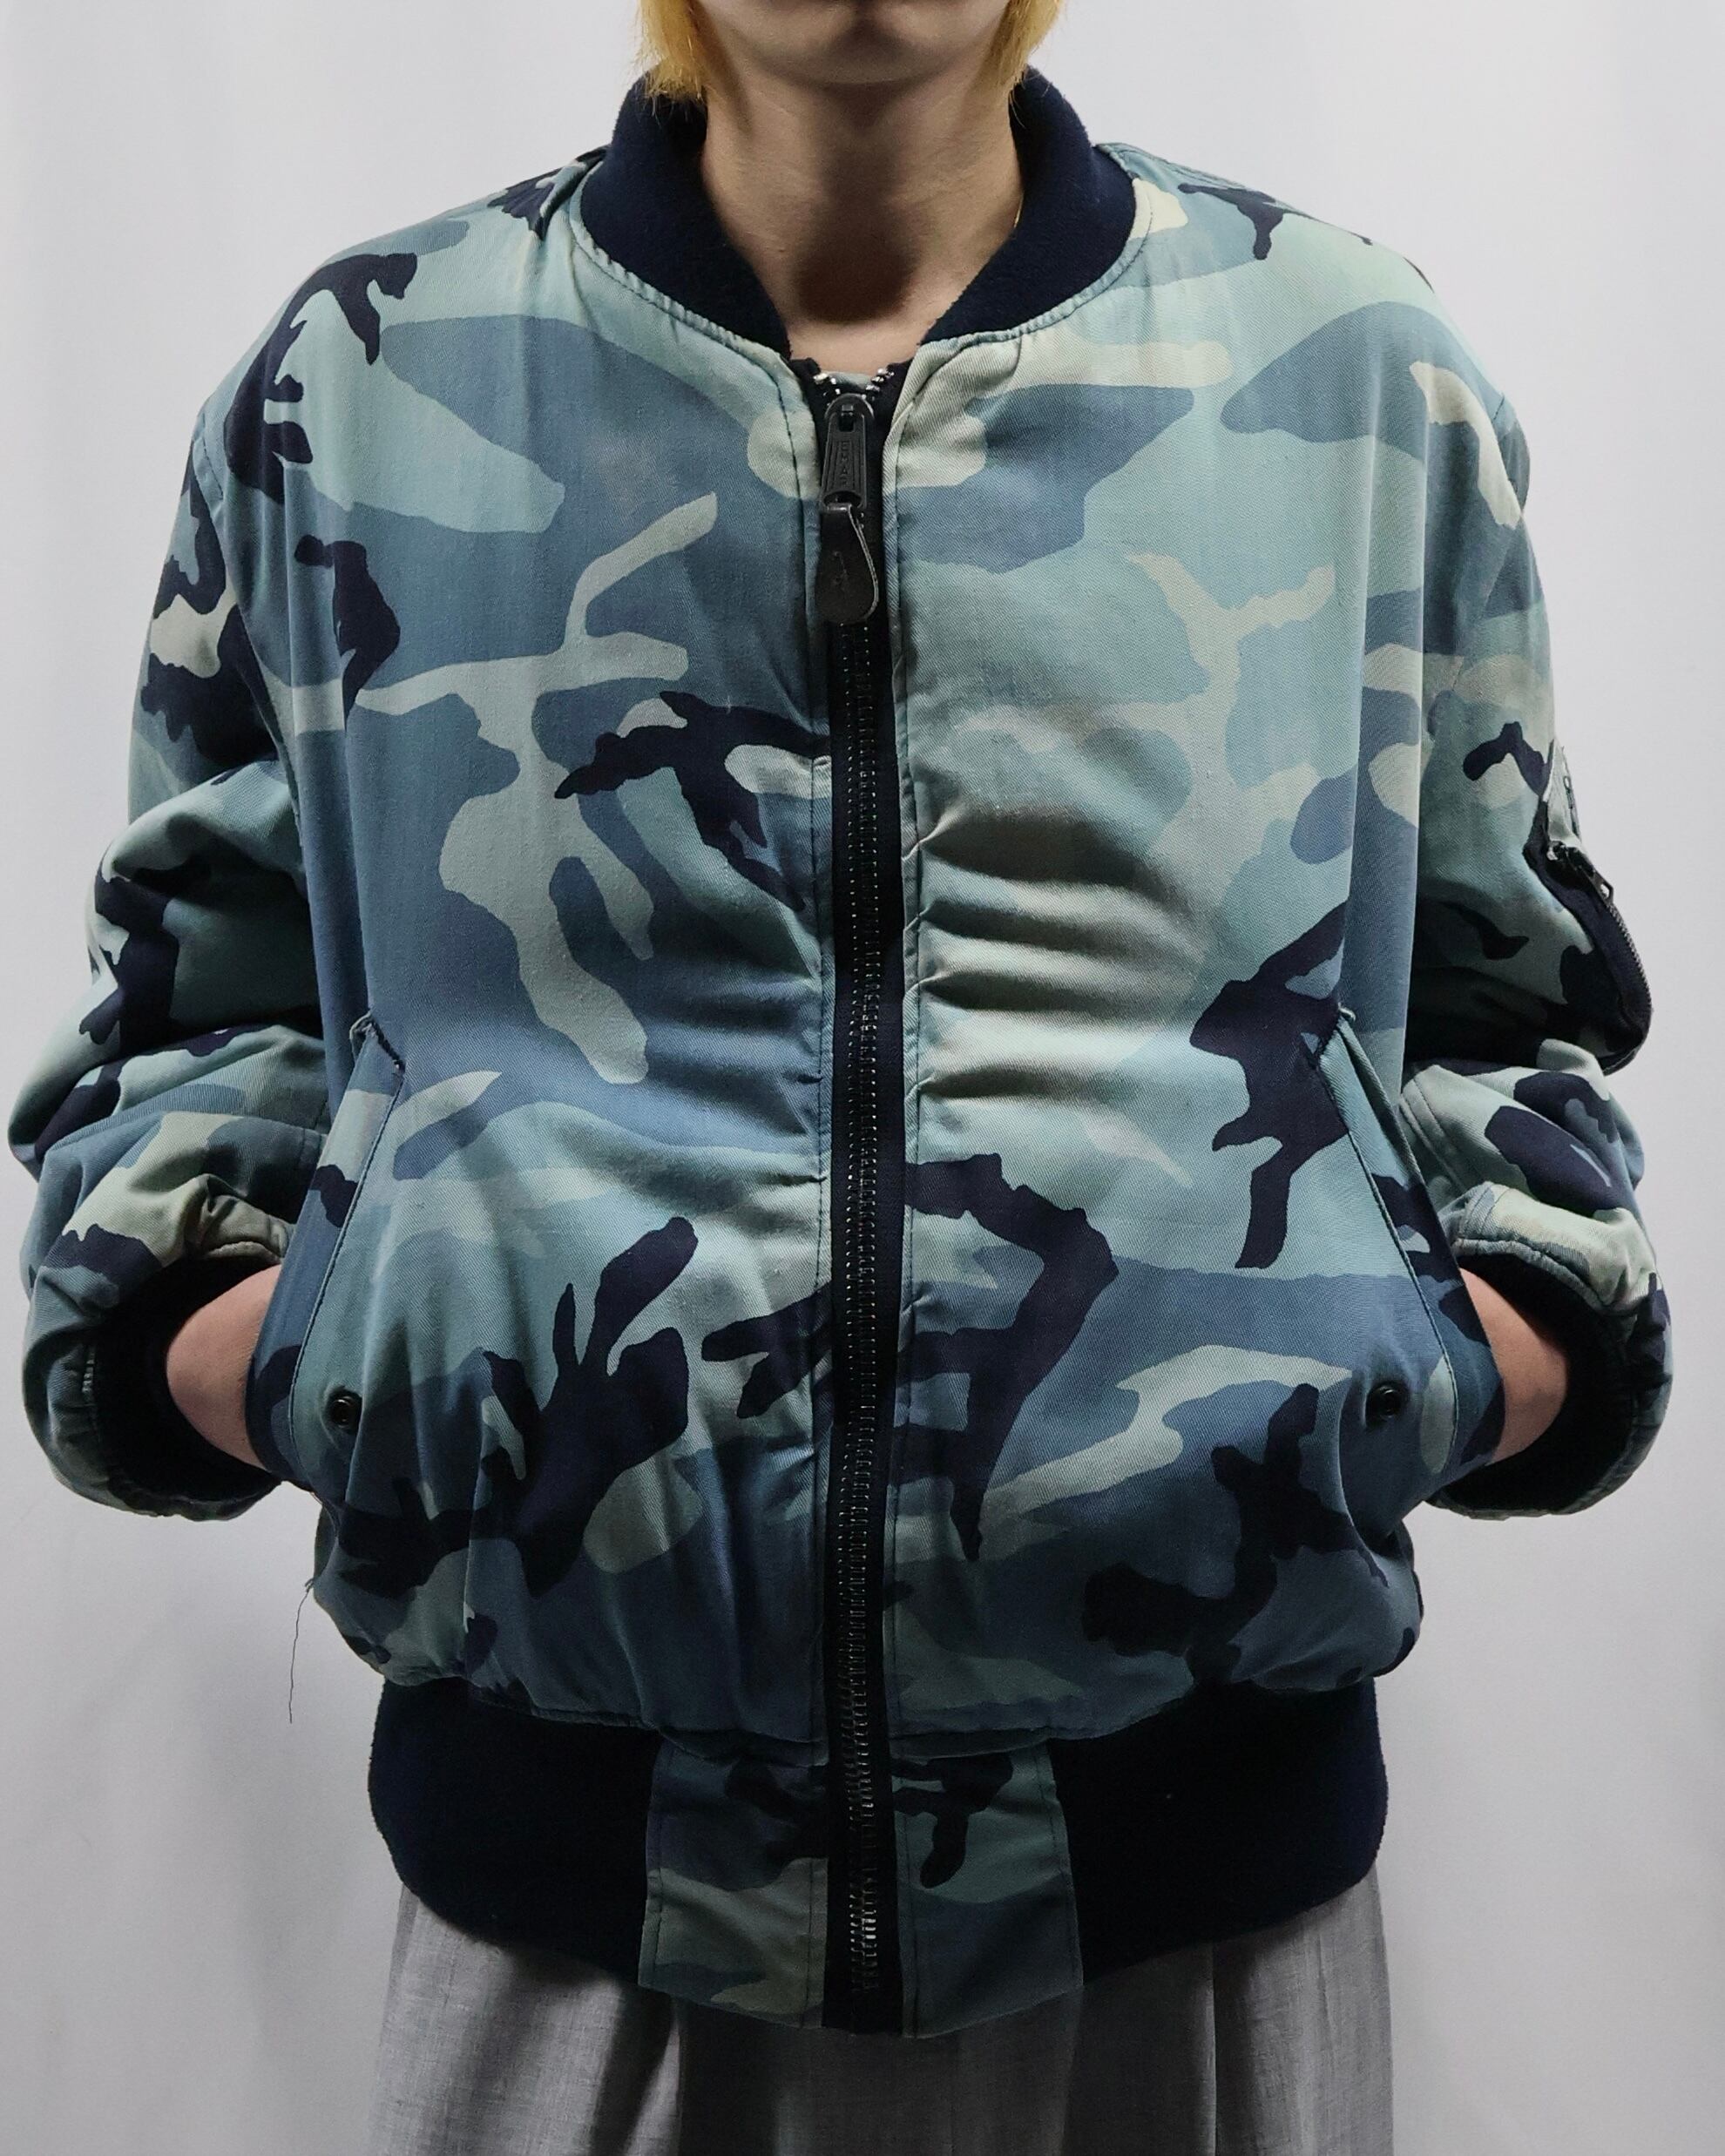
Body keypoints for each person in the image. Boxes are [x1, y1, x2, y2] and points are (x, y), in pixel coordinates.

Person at [9, 0, 1673, 2149]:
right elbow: (197, 1023)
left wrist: (1459, 1351)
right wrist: (298, 1339)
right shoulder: (359, 378)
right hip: (572, 1914)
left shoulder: (1356, 369)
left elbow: (1504, 1010)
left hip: (1203, 1912)